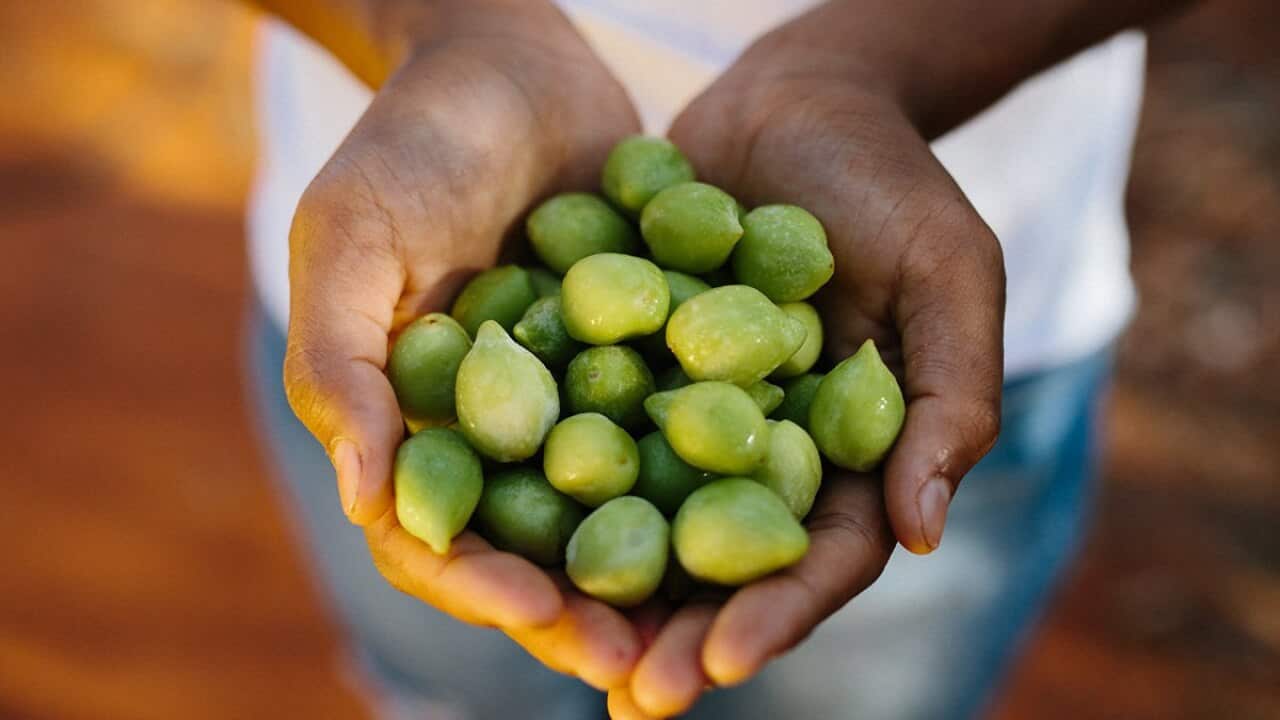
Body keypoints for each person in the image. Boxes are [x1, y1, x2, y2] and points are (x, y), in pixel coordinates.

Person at [242, 1, 1182, 718]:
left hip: (942, 286)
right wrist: (433, 24)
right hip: (406, 287)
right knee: (458, 683)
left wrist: (881, 64)